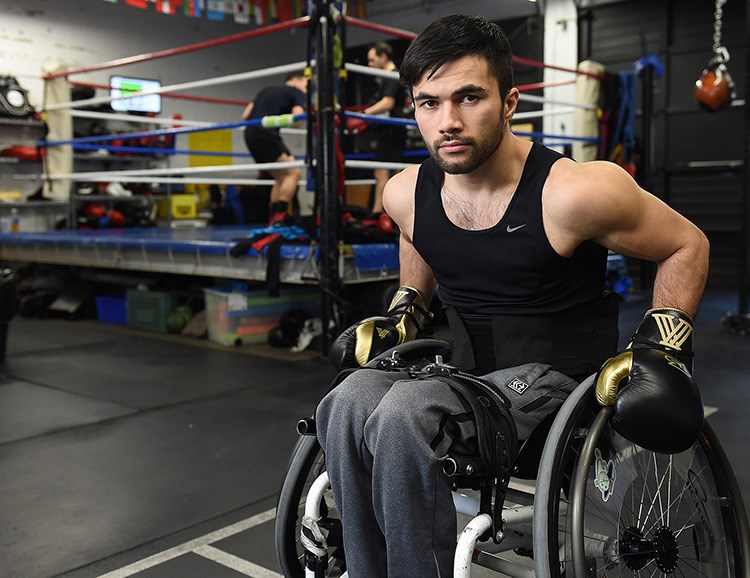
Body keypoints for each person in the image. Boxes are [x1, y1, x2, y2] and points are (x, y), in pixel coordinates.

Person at [317, 14, 709, 578]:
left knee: (404, 413)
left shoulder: (573, 192)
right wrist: (407, 308)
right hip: (466, 374)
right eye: (429, 103)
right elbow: (418, 236)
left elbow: (685, 244)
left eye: (469, 97)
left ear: (509, 102)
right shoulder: (405, 193)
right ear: (413, 107)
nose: (447, 122)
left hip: (556, 379)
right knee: (348, 399)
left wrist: (662, 348)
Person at [241, 71, 307, 225]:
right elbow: (297, 120)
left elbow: (245, 116)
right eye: (305, 83)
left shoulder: (265, 90)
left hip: (250, 134)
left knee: (281, 177)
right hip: (266, 134)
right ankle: (280, 217)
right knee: (294, 174)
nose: (307, 88)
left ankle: (273, 220)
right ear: (296, 80)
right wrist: (305, 113)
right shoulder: (296, 91)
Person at [361, 41, 408, 224]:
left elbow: (387, 103)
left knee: (383, 174)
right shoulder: (384, 77)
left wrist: (363, 115)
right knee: (388, 174)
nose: (369, 65)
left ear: (383, 57)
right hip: (389, 131)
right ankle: (384, 214)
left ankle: (377, 213)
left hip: (391, 131)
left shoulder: (391, 76)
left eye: (372, 60)